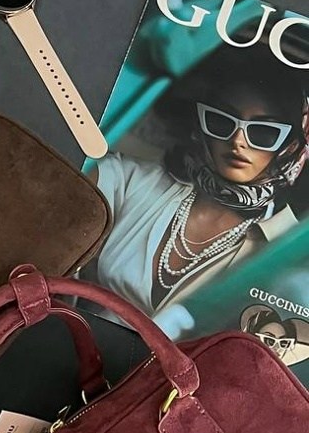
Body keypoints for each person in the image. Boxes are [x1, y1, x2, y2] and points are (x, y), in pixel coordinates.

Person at [92, 47, 308, 319]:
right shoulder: (130, 181)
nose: (238, 141)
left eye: (264, 132)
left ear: (290, 146)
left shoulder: (286, 248)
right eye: (221, 121)